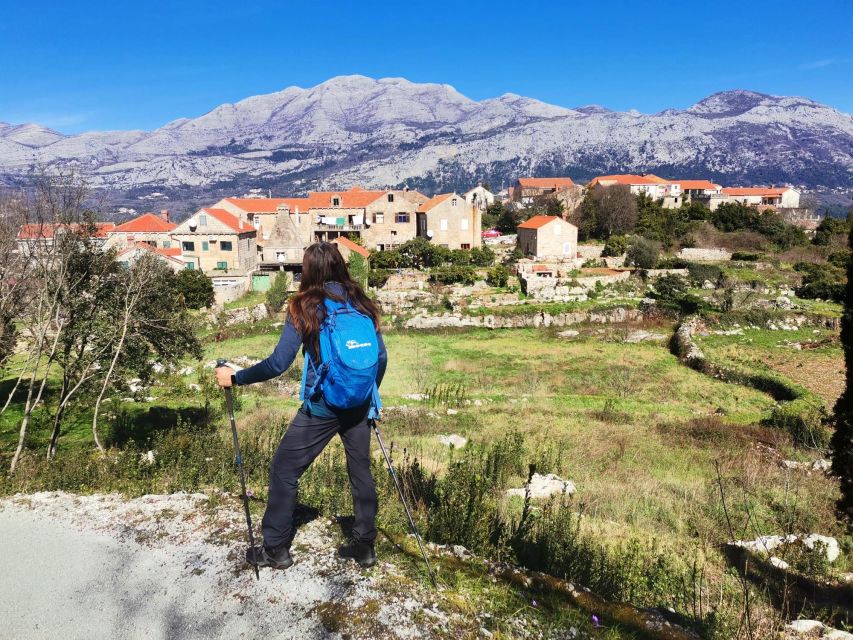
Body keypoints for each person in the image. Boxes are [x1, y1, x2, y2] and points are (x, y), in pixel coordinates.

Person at [215, 242, 387, 571]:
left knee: (285, 469)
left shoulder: (304, 306)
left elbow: (279, 363)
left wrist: (237, 378)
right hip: (359, 405)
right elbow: (380, 357)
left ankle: (276, 550)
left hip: (323, 407)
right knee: (360, 471)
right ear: (340, 266)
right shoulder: (362, 303)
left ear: (307, 271)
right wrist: (368, 394)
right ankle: (365, 547)